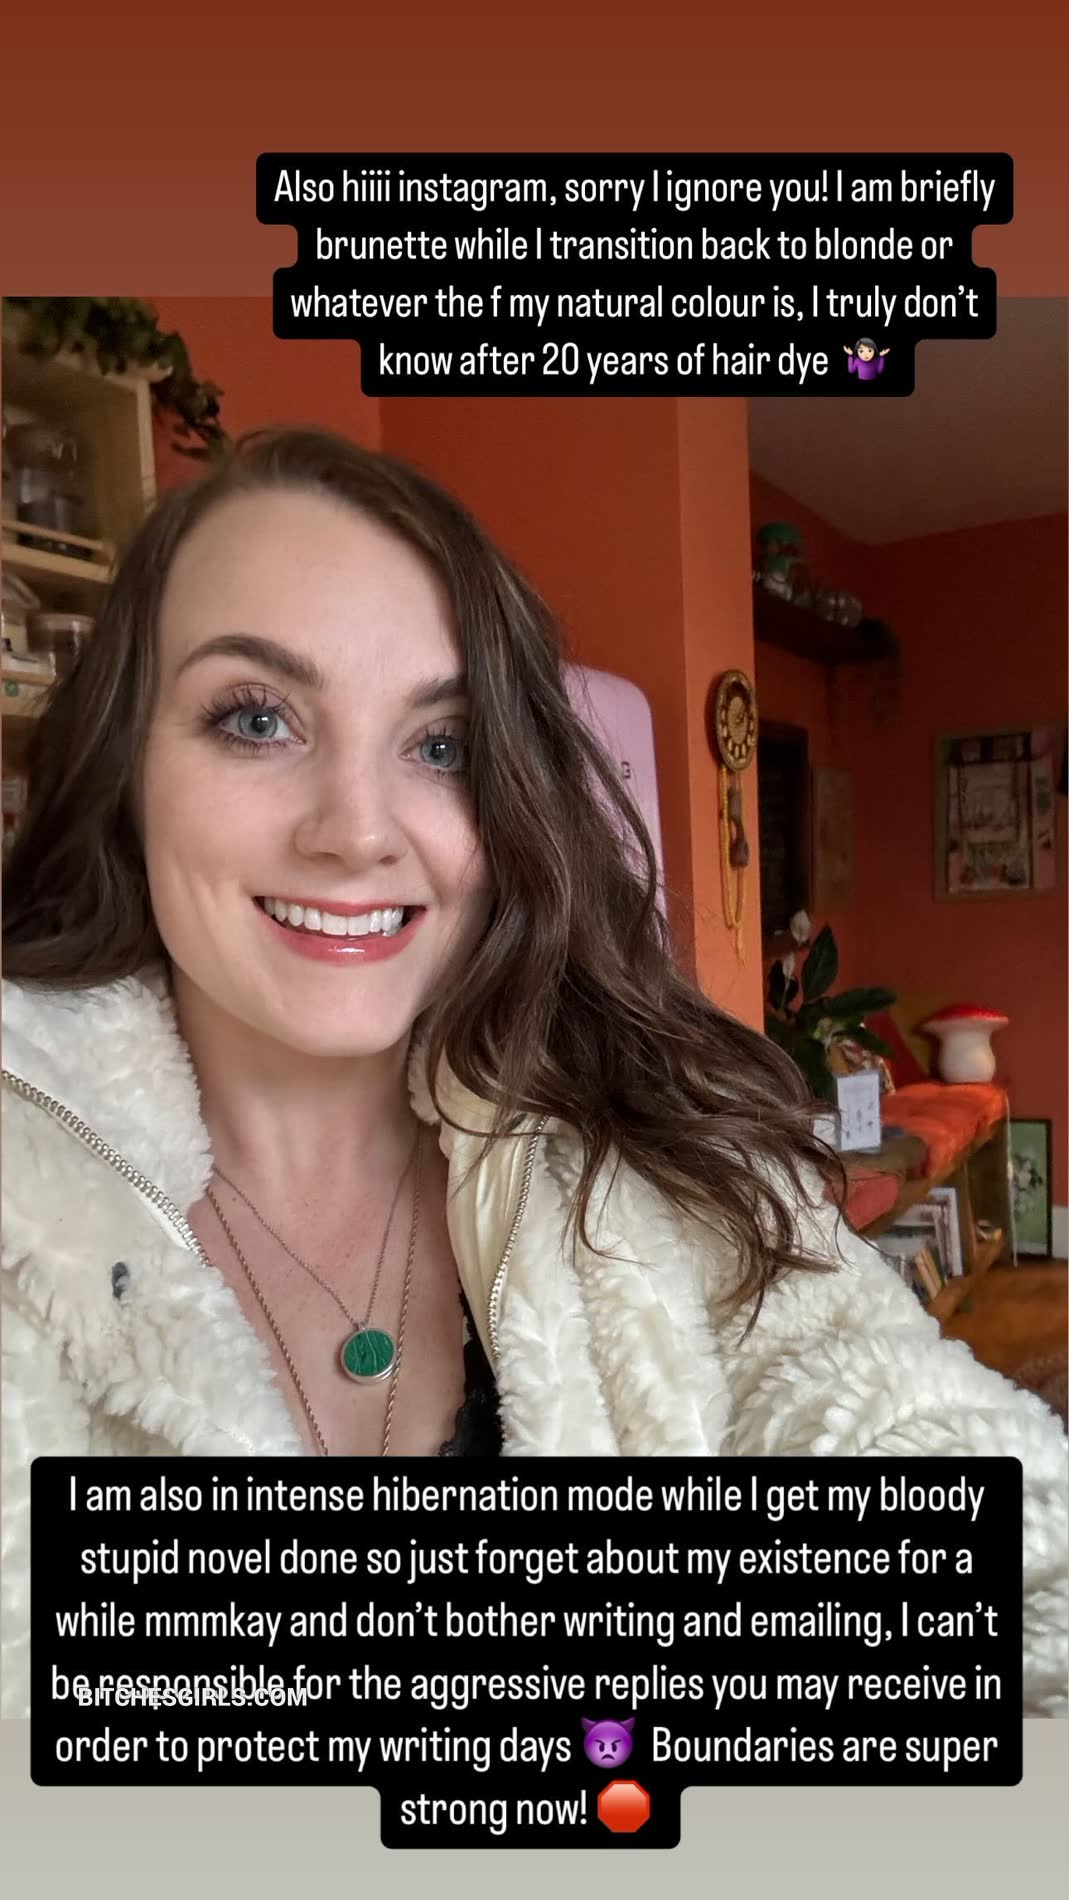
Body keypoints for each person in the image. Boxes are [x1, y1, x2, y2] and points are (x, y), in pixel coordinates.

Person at [2, 427, 1065, 1720]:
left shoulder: (659, 1151)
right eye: (257, 718)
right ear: (126, 768)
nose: (356, 831)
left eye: (442, 744)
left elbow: (978, 1512)